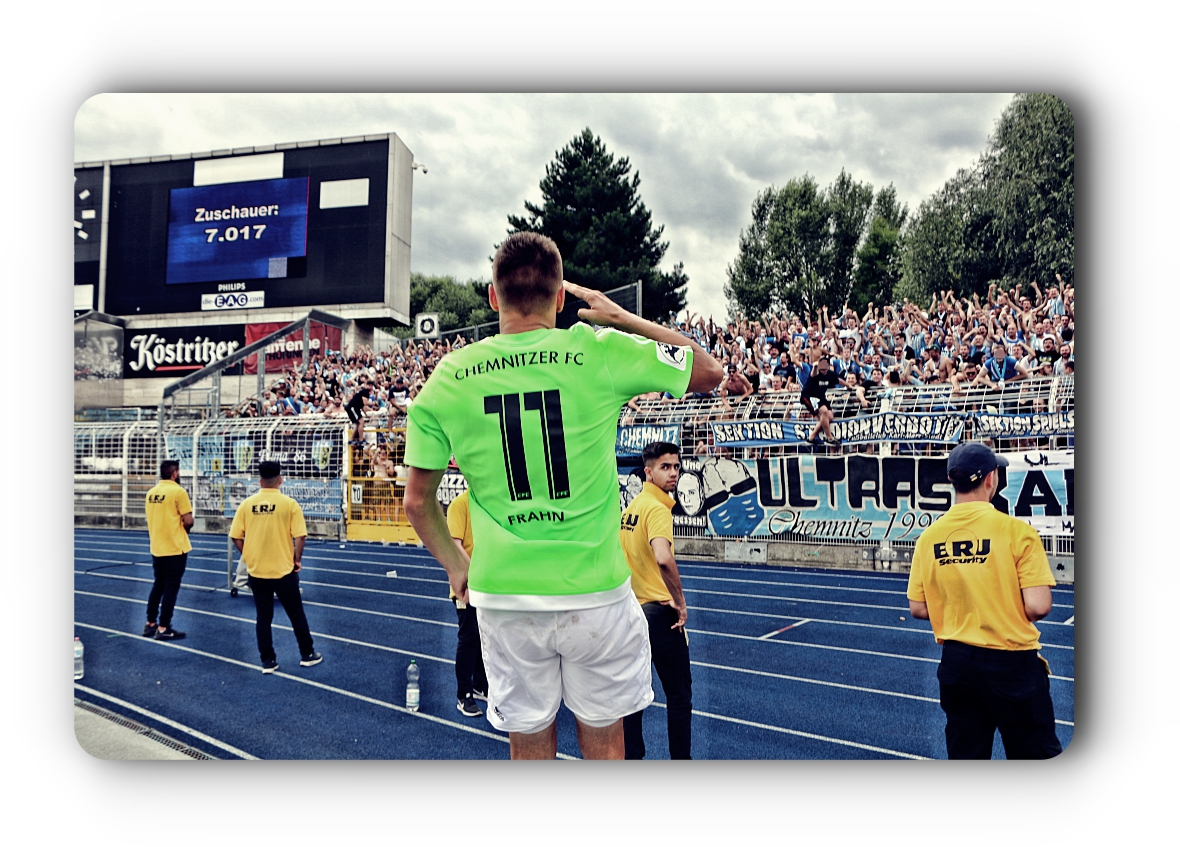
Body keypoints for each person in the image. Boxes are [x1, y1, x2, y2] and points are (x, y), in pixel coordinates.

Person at [402, 231, 722, 760]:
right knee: (604, 740)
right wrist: (622, 318)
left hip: (505, 597)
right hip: (595, 591)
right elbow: (710, 372)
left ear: (492, 296)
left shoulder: (451, 375)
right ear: (559, 298)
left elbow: (418, 502)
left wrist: (458, 566)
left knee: (528, 746)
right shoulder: (595, 350)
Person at [906, 442, 1062, 759]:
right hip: (1013, 666)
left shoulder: (929, 538)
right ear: (991, 479)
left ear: (953, 481)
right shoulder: (1017, 532)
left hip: (957, 666)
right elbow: (1038, 606)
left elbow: (918, 607)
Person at [618, 442, 692, 760]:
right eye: (665, 467)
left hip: (631, 614)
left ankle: (632, 758)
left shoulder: (632, 508)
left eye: (676, 466)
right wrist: (680, 601)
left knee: (633, 696)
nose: (673, 472)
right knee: (678, 696)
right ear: (648, 471)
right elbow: (663, 558)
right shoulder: (657, 509)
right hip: (660, 615)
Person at [229, 460, 322, 674]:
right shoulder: (289, 504)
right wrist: (297, 559)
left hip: (257, 570)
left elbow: (235, 536)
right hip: (284, 570)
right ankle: (307, 654)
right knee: (296, 613)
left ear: (260, 481)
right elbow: (300, 536)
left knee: (263, 617)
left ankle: (268, 661)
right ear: (280, 480)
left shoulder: (247, 504)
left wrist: (249, 555)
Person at [445, 489, 489, 718]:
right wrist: (473, 573)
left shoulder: (485, 503)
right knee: (469, 637)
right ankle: (464, 695)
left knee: (483, 636)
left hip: (483, 583)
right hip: (465, 584)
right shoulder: (459, 505)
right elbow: (454, 544)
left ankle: (480, 685)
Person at [143, 459, 193, 640]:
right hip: (175, 548)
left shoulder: (151, 493)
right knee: (171, 588)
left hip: (157, 547)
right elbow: (188, 520)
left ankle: (150, 623)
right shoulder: (178, 492)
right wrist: (184, 531)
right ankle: (164, 627)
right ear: (175, 473)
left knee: (158, 585)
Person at [800, 356, 843, 447]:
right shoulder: (816, 372)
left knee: (830, 416)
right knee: (823, 411)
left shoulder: (830, 374)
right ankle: (829, 438)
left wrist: (848, 386)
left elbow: (838, 380)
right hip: (809, 396)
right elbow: (813, 372)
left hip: (820, 396)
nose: (823, 370)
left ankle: (811, 437)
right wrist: (816, 366)